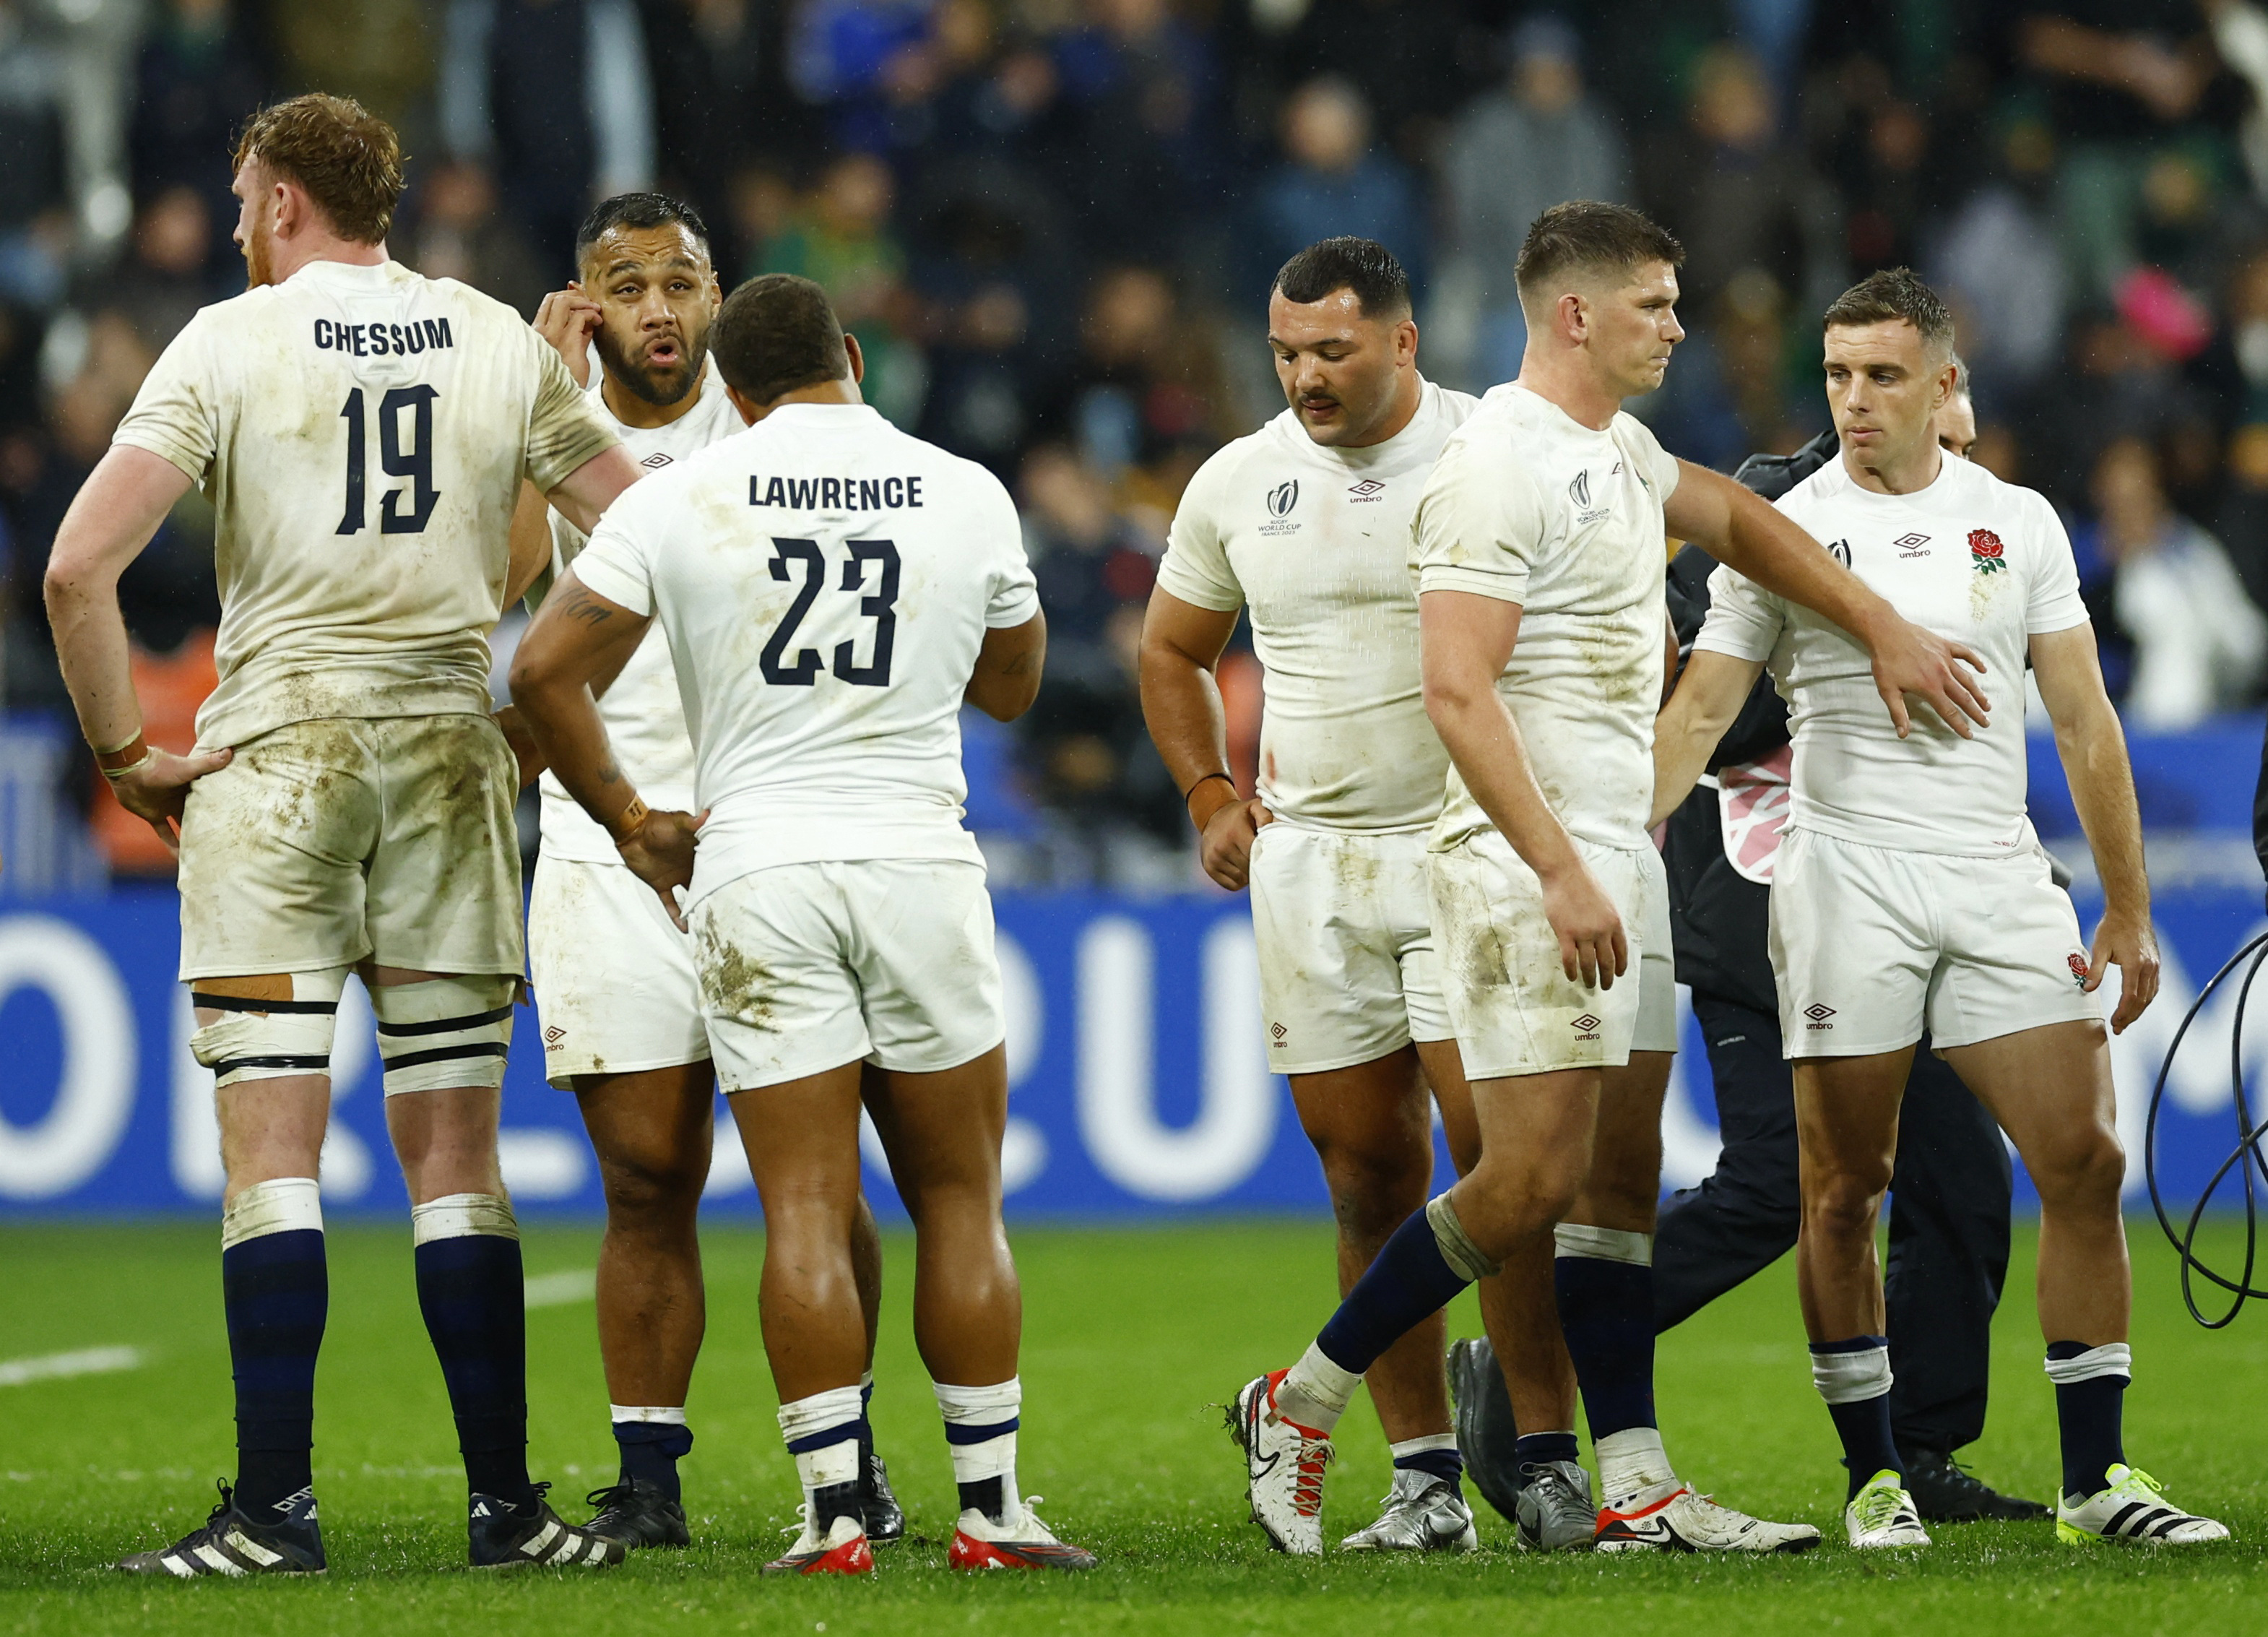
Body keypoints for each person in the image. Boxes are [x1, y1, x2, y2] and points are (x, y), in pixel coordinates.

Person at [1228, 200, 1991, 1558]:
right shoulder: (1494, 466)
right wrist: (1560, 866)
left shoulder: (1620, 450)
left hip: (1616, 855)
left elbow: (1746, 523)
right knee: (1525, 1180)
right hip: (1533, 871)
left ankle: (1634, 1480)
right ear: (1576, 315)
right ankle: (1304, 1396)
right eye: (1656, 302)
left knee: (1621, 1181)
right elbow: (1456, 692)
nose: (1678, 324)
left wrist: (1879, 622)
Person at [48, 94, 642, 1576]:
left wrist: (130, 755)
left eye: (249, 196)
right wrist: (537, 706)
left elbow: (75, 569)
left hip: (276, 754)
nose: (241, 220)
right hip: (448, 751)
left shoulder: (229, 341)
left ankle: (272, 1511)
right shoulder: (494, 333)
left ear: (288, 201)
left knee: (275, 1144)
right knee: (455, 1151)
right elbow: (638, 540)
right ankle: (507, 1509)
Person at [509, 273, 1096, 1577]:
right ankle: (990, 1510)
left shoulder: (677, 496)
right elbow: (1012, 686)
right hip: (915, 859)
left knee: (807, 1208)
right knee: (957, 1197)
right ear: (852, 354)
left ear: (735, 385)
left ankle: (834, 1516)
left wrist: (628, 818)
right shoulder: (966, 488)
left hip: (755, 864)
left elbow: (543, 670)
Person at [1653, 267, 2228, 1550]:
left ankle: (2099, 1482)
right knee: (1842, 1187)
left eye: (1883, 375)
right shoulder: (1778, 524)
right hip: (1846, 874)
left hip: (1994, 871)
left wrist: (2126, 909)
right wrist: (1593, 845)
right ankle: (1876, 1479)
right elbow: (1698, 712)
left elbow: (2082, 718)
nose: (1854, 400)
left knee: (2082, 1162)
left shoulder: (2015, 522)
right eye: (1838, 375)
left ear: (1945, 385)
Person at [505, 191, 904, 1551]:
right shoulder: (542, 415)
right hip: (602, 830)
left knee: (822, 1177)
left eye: (679, 283)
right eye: (626, 287)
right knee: (645, 1174)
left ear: (718, 293)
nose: (657, 312)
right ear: (584, 306)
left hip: (765, 823)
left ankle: (851, 1462)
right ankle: (650, 1479)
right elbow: (503, 587)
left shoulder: (779, 416)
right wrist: (537, 418)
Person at [1598, 362, 2043, 1522]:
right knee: (1776, 1185)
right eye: (1955, 418)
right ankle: (1543, 1351)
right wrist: (1844, 646)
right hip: (1757, 899)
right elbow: (1707, 708)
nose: (1967, 452)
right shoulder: (1771, 511)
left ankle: (1925, 1450)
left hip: (1914, 903)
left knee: (1960, 1182)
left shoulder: (1975, 525)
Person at [1141, 237, 1500, 1552]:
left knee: (1501, 1166)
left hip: (1470, 845)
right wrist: (1206, 791)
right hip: (1313, 862)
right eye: (1286, 353)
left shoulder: (1486, 455)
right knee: (1367, 1173)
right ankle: (1423, 1484)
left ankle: (1539, 1437)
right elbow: (1174, 649)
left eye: (1331, 351)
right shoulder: (1240, 480)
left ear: (1402, 341)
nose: (1304, 377)